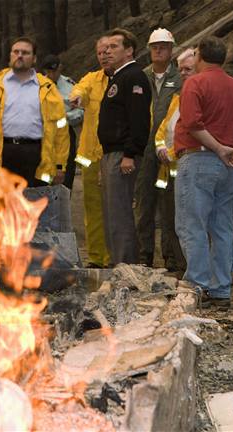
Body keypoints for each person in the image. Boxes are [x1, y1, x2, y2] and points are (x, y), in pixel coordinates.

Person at [175, 37, 233, 310]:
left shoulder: (195, 83)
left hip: (199, 158)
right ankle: (221, 289)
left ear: (199, 56)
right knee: (222, 226)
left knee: (192, 225)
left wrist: (220, 148)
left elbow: (192, 123)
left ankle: (197, 286)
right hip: (229, 165)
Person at [0, 37, 70, 187]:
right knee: (3, 206)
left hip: (37, 155)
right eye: (16, 52)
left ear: (34, 59)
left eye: (25, 53)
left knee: (35, 204)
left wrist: (60, 166)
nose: (19, 55)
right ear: (10, 55)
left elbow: (61, 130)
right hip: (2, 153)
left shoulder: (47, 88)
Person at [97, 28, 152, 265]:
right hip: (111, 153)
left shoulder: (134, 77)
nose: (107, 52)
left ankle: (125, 265)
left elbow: (139, 119)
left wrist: (130, 153)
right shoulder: (117, 78)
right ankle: (117, 261)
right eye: (105, 48)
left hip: (123, 154)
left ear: (129, 50)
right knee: (111, 211)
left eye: (114, 47)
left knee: (120, 212)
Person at [134, 28, 182, 269]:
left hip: (169, 154)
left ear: (172, 49)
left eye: (163, 46)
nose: (159, 50)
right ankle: (144, 255)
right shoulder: (141, 77)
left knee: (169, 206)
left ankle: (171, 257)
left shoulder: (180, 79)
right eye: (155, 46)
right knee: (144, 204)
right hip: (144, 152)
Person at [152, 48, 197, 277]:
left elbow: (190, 132)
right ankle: (174, 260)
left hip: (186, 168)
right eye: (181, 70)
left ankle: (188, 266)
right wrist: (160, 146)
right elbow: (163, 127)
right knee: (169, 217)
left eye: (188, 69)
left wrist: (170, 152)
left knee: (188, 220)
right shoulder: (177, 99)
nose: (183, 74)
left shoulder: (199, 98)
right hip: (167, 171)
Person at [69, 37, 112, 268]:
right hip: (89, 155)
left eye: (108, 50)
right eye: (99, 52)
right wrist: (75, 97)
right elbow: (80, 90)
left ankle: (116, 254)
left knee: (115, 207)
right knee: (93, 208)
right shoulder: (91, 80)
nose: (104, 55)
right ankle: (96, 257)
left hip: (113, 154)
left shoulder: (124, 79)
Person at [41, 54, 84, 190]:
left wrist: (65, 117)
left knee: (66, 174)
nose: (52, 74)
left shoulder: (70, 86)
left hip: (65, 132)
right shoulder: (37, 85)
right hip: (44, 134)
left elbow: (81, 111)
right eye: (48, 72)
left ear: (60, 68)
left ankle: (65, 203)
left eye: (54, 71)